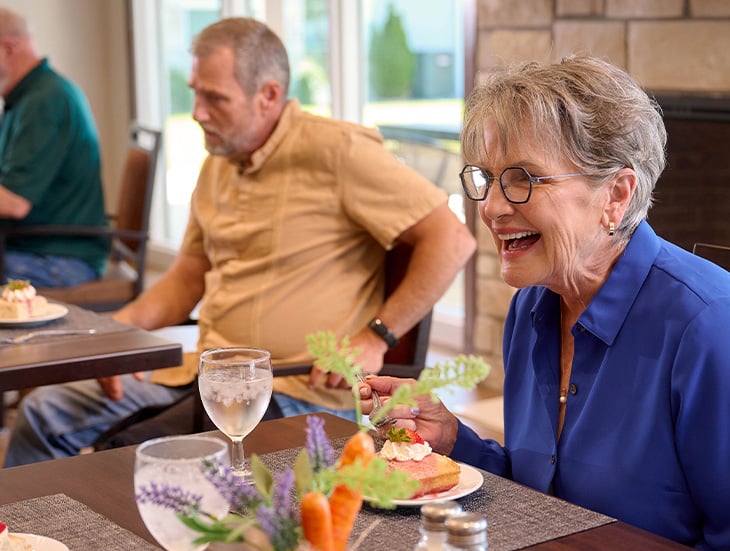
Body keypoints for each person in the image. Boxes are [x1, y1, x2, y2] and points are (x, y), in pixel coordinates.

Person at [360, 56, 730, 551]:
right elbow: (548, 494)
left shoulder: (710, 327)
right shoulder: (534, 306)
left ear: (616, 194)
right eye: (488, 179)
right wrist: (454, 440)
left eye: (522, 179)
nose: (494, 207)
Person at [4, 17, 475, 466]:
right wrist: (116, 339)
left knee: (131, 463)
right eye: (194, 93)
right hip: (202, 378)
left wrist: (378, 335)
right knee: (45, 411)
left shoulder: (337, 151)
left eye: (215, 99)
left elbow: (452, 239)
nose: (196, 113)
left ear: (268, 95)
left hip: (290, 391)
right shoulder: (219, 161)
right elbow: (188, 275)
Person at [0, 6, 108, 287]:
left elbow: (14, 203)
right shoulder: (26, 98)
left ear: (9, 48)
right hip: (32, 245)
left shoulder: (44, 102)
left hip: (59, 258)